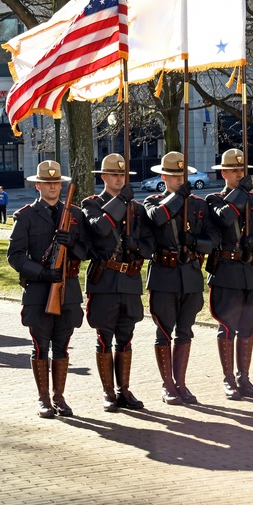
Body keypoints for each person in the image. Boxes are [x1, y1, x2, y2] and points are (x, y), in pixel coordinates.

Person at [7, 161, 89, 418]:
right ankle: (43, 399)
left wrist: (72, 242)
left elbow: (87, 251)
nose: (53, 187)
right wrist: (42, 272)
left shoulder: (75, 214)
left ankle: (59, 397)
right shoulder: (26, 216)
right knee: (41, 346)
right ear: (38, 185)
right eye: (48, 183)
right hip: (39, 291)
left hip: (69, 290)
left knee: (62, 347)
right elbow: (15, 256)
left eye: (57, 183)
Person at [143, 152, 220, 405]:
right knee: (164, 331)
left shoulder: (198, 205)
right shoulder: (152, 201)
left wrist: (195, 241)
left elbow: (213, 240)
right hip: (164, 276)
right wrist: (178, 196)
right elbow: (158, 218)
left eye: (182, 176)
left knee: (185, 332)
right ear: (163, 176)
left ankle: (181, 383)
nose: (178, 179)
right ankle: (167, 385)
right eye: (174, 176)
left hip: (190, 275)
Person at [81, 153, 155, 412]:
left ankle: (124, 389)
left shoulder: (137, 209)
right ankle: (108, 392)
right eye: (114, 175)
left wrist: (138, 247)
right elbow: (99, 228)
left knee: (126, 337)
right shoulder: (91, 204)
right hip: (104, 282)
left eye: (122, 175)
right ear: (103, 177)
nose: (119, 179)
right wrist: (121, 200)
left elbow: (150, 243)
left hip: (129, 280)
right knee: (104, 337)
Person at [205, 148, 253, 400]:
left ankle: (244, 378)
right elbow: (225, 219)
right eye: (235, 171)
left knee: (248, 327)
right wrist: (240, 194)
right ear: (224, 173)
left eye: (242, 171)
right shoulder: (214, 200)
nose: (240, 174)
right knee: (227, 327)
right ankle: (228, 379)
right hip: (227, 273)